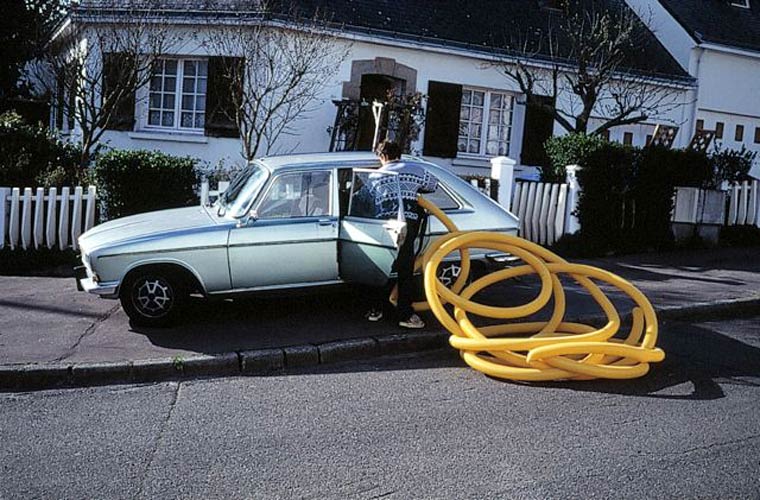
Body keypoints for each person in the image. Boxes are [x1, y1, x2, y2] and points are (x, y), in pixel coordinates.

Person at [365, 140, 437, 329]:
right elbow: (433, 185)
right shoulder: (415, 169)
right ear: (400, 154)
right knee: (405, 269)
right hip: (407, 223)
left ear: (381, 157)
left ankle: (375, 309)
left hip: (384, 225)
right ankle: (405, 315)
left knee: (383, 266)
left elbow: (366, 198)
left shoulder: (374, 176)